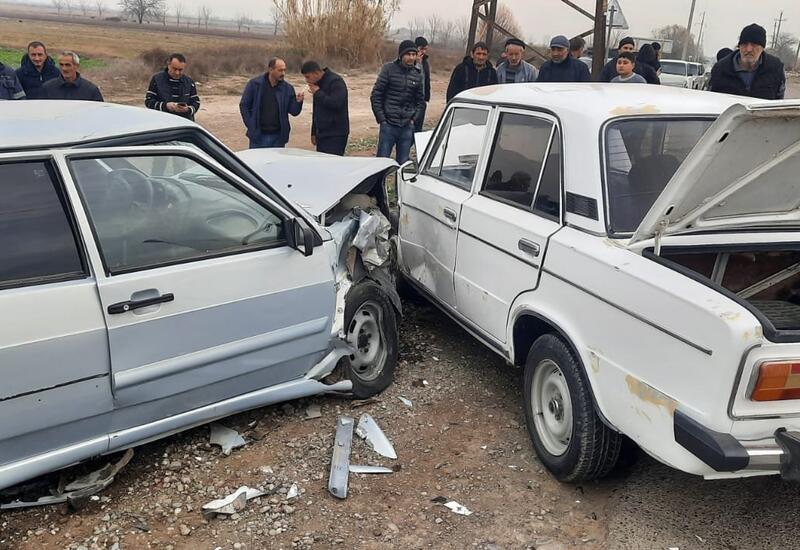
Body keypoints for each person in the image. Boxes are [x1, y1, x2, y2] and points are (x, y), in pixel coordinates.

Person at [370, 40, 425, 164]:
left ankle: (399, 184)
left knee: (402, 165)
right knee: (380, 164)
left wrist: (413, 119)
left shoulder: (417, 75)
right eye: (408, 54)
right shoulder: (388, 69)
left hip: (406, 126)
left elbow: (420, 102)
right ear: (401, 55)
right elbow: (376, 95)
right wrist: (382, 119)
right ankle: (378, 184)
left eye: (413, 54)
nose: (411, 57)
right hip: (388, 125)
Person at [239, 57, 304, 149]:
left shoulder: (287, 88)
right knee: (258, 163)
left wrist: (298, 102)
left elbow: (294, 112)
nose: (283, 73)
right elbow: (244, 105)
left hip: (279, 137)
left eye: (284, 70)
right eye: (280, 70)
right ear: (270, 70)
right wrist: (251, 125)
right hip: (259, 136)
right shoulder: (255, 85)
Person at [710, 24, 785, 100]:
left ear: (762, 48)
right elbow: (712, 100)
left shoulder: (775, 68)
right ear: (739, 46)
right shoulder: (721, 69)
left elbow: (778, 101)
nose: (749, 49)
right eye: (745, 44)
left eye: (754, 45)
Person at [301, 60, 349, 156]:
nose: (306, 80)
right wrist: (313, 132)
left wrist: (318, 93)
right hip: (322, 133)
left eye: (308, 77)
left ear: (316, 73)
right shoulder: (317, 84)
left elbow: (336, 103)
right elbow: (316, 110)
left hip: (336, 133)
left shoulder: (336, 81)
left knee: (333, 165)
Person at [145, 53, 200, 121]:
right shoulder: (157, 79)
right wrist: (166, 106)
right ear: (168, 65)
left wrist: (188, 109)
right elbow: (148, 102)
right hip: (163, 123)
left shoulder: (189, 82)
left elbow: (196, 102)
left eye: (180, 70)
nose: (177, 72)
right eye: (174, 69)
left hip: (184, 123)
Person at [414, 36, 431, 132]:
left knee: (418, 129)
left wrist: (426, 97)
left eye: (425, 49)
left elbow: (426, 80)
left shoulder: (425, 62)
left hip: (422, 100)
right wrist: (417, 64)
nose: (423, 52)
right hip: (412, 100)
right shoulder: (410, 61)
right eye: (421, 49)